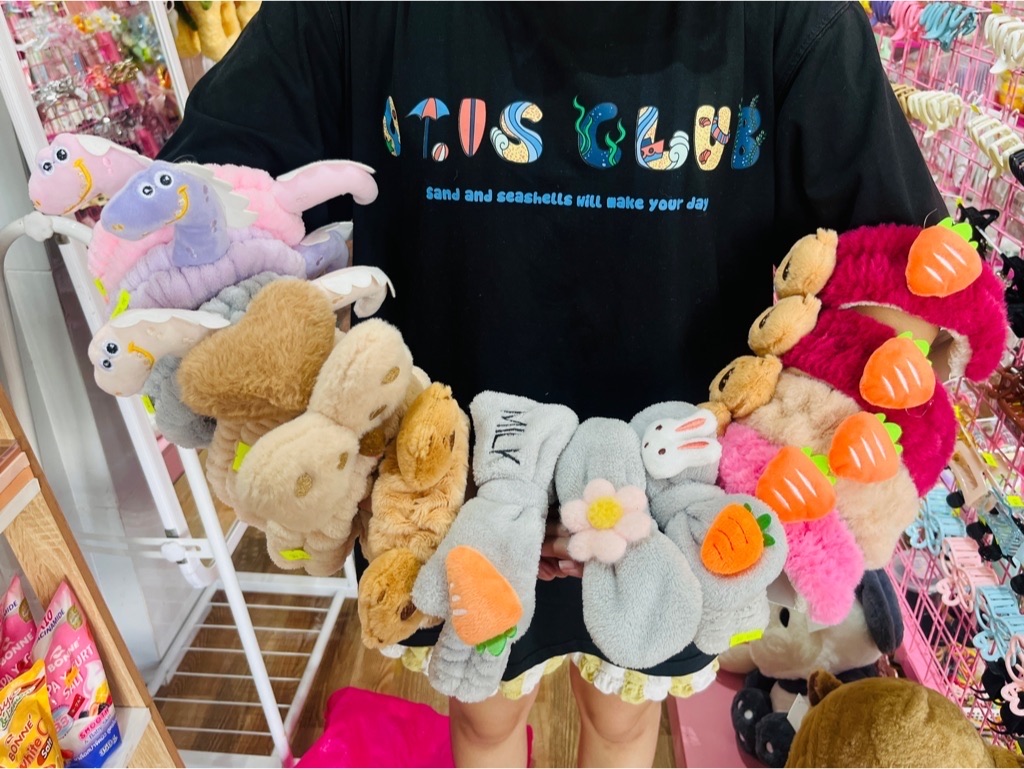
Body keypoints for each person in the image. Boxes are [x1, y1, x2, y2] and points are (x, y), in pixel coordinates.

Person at [159, 3, 945, 766]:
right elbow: (201, 203)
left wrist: (794, 451)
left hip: (668, 500)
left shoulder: (786, 19)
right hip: (458, 491)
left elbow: (905, 283)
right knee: (497, 716)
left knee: (612, 717)